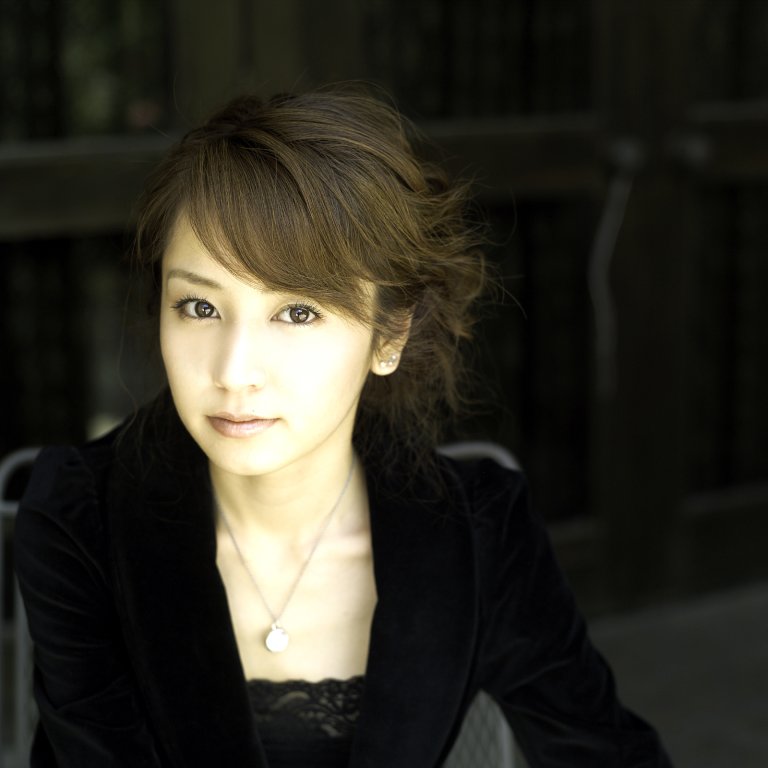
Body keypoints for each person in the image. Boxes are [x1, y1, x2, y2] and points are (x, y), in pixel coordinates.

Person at [15, 85, 672, 767]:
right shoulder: (81, 517)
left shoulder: (476, 531)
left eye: (298, 312)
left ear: (389, 335)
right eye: (200, 308)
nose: (235, 372)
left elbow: (603, 749)